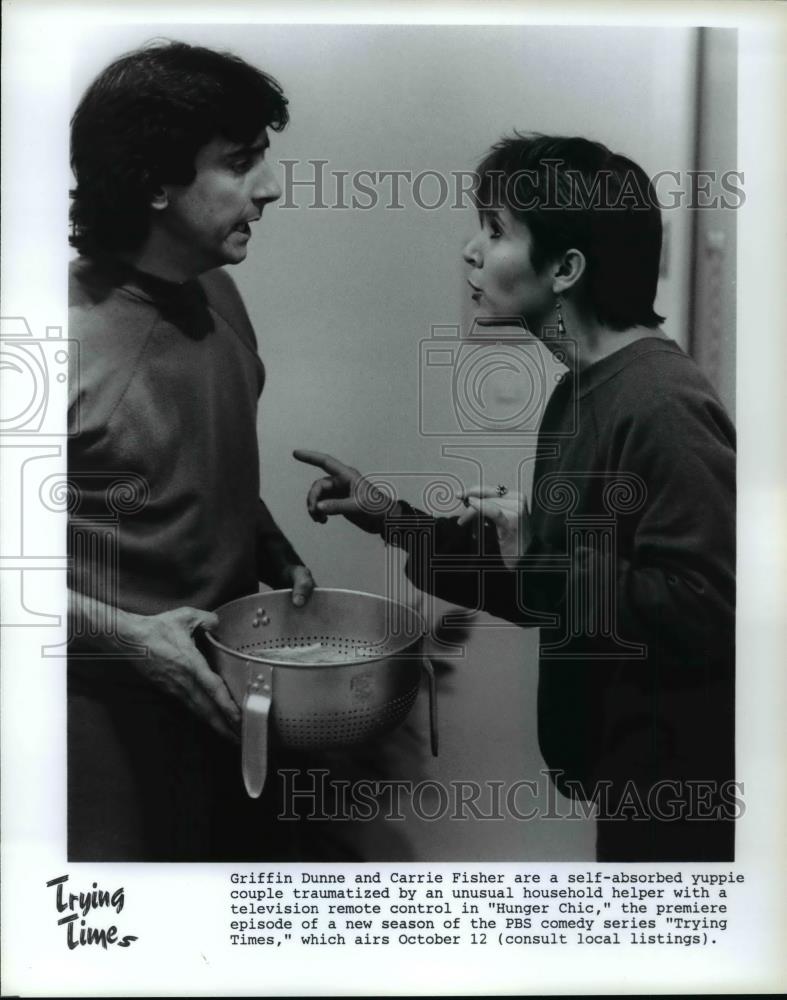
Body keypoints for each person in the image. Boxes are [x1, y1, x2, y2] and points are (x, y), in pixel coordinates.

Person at [296, 134, 737, 862]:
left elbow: (706, 614)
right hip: (622, 777)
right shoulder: (579, 390)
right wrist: (392, 519)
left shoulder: (661, 402)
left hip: (679, 792)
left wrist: (537, 553)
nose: (471, 252)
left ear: (565, 268)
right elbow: (546, 589)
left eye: (495, 231)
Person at [67, 40, 315, 861]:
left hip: (227, 700)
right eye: (241, 163)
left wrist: (266, 540)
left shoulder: (219, 290)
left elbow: (195, 448)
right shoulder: (46, 340)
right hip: (98, 729)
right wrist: (131, 637)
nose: (272, 187)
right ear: (155, 184)